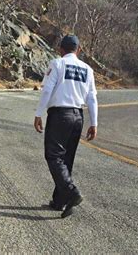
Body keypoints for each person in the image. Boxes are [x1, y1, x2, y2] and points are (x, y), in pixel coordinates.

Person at [34, 35, 98, 218]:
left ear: (61, 49)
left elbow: (47, 89)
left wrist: (38, 114)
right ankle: (60, 201)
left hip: (60, 115)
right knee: (66, 159)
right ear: (78, 50)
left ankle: (72, 192)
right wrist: (94, 123)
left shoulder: (57, 64)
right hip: (78, 116)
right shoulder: (88, 69)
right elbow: (92, 98)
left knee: (53, 156)